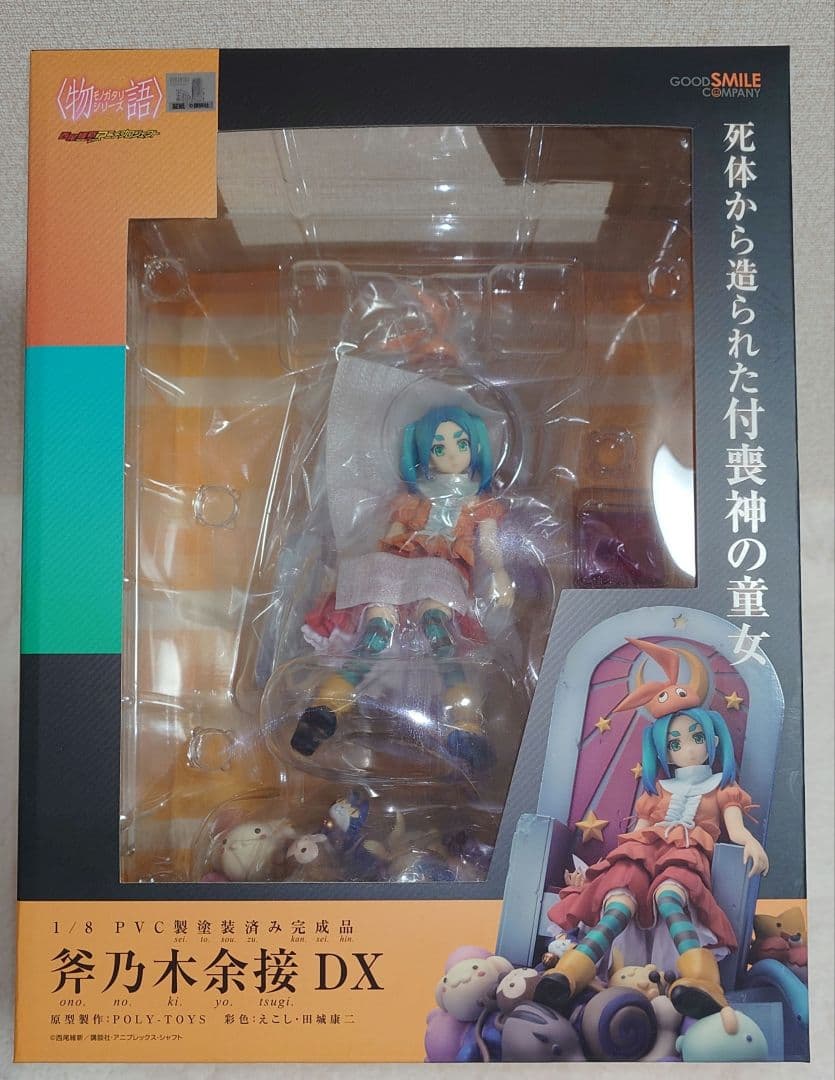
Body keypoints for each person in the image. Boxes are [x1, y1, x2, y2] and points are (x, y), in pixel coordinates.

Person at [534, 707, 768, 1019]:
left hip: (685, 852)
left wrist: (750, 841)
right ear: (665, 754)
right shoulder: (658, 791)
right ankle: (570, 974)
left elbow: (736, 830)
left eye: (697, 738)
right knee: (618, 904)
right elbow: (634, 837)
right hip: (642, 852)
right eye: (675, 744)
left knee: (669, 897)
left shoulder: (722, 787)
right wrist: (596, 876)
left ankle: (702, 981)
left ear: (712, 741)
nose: (688, 749)